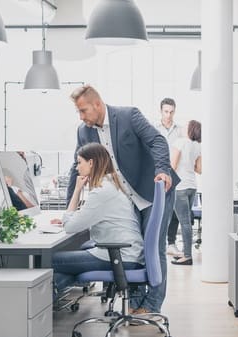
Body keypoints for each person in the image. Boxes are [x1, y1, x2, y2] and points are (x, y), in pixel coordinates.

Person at [68, 85, 179, 315]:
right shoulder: (84, 131)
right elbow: (76, 169)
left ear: (97, 104)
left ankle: (152, 304)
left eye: (83, 110)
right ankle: (135, 301)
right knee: (135, 250)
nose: (81, 117)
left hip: (153, 190)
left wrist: (163, 170)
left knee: (154, 248)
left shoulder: (129, 116)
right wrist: (70, 205)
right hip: (128, 200)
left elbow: (158, 141)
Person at [52, 143, 144, 297]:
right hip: (128, 254)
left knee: (49, 260)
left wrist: (77, 190)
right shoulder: (112, 185)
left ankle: (47, 299)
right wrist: (71, 218)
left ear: (91, 163)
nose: (77, 168)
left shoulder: (102, 191)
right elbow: (86, 217)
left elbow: (70, 227)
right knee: (70, 264)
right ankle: (50, 298)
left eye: (79, 162)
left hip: (119, 256)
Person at [170, 120, 202, 265]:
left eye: (186, 125)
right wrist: (188, 164)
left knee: (184, 223)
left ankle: (187, 256)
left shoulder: (180, 142)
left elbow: (173, 166)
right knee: (186, 221)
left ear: (190, 129)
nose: (183, 126)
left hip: (180, 187)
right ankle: (185, 252)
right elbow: (199, 169)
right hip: (192, 186)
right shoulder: (197, 146)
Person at [155, 98, 183, 257]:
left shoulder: (180, 130)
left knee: (173, 210)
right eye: (166, 111)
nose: (169, 115)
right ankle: (159, 242)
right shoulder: (154, 128)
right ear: (161, 111)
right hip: (159, 173)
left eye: (171, 112)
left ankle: (171, 243)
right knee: (158, 209)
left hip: (176, 173)